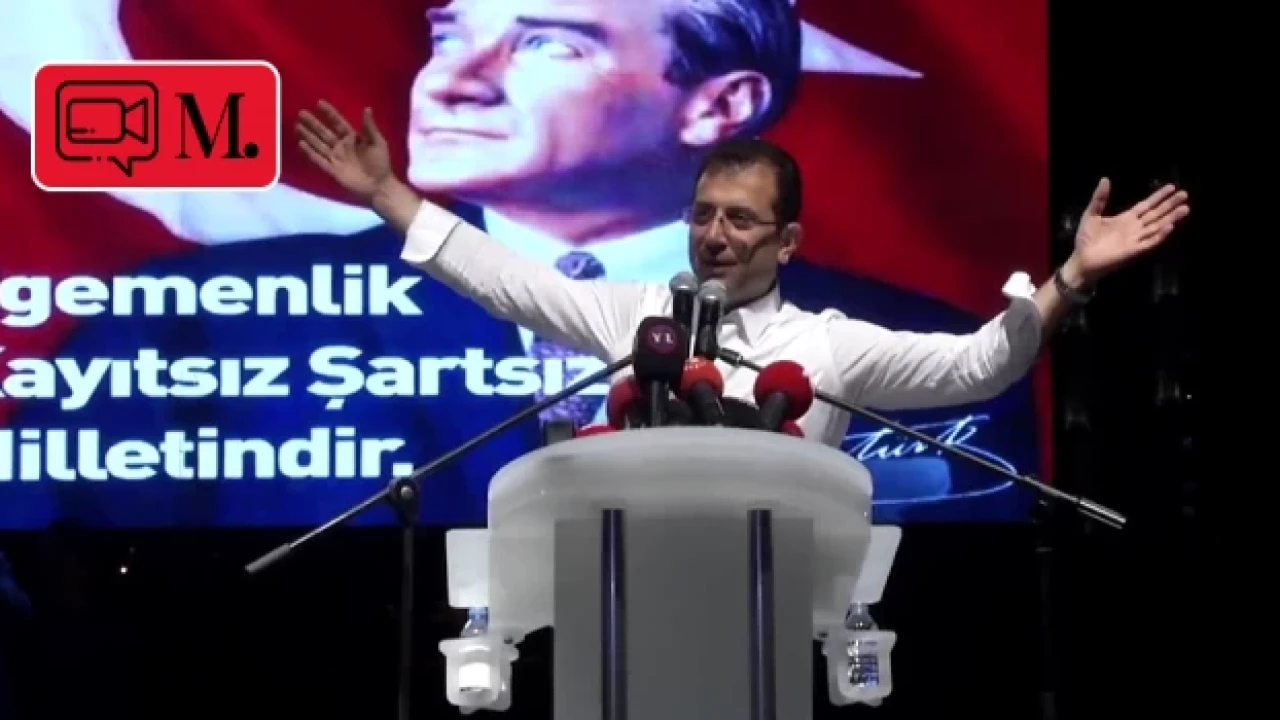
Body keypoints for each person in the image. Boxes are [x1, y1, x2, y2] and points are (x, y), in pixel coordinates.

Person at [3, 0, 1023, 528]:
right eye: (450, 34)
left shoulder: (902, 345)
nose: (450, 80)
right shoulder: (200, 318)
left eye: (546, 45)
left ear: (718, 104)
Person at [295, 102, 1189, 450]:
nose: (714, 236)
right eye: (702, 215)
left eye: (739, 220)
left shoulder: (824, 346)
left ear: (788, 241)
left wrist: (1072, 275)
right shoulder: (634, 315)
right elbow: (500, 279)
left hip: (776, 592)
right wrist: (388, 195)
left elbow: (978, 366)